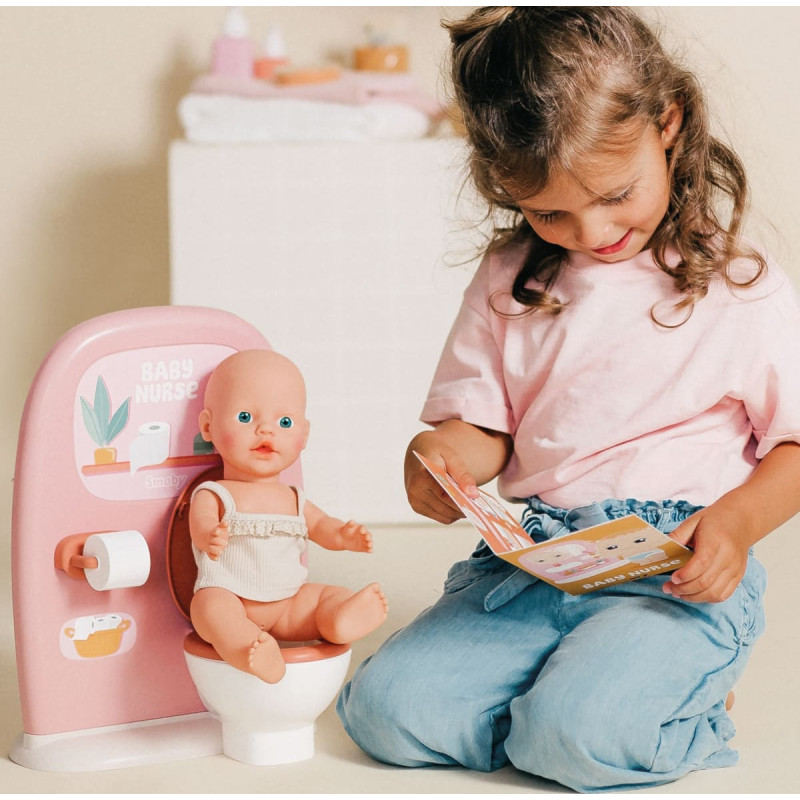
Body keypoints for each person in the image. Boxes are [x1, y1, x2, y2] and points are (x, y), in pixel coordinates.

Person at [337, 7, 800, 792]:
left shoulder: (740, 287)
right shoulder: (512, 280)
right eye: (549, 212)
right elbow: (486, 429)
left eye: (616, 194)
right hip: (539, 561)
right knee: (385, 712)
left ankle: (663, 701)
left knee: (578, 739)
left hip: (673, 570)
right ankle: (579, 694)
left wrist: (737, 521)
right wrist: (441, 457)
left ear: (668, 122)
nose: (590, 231)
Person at [189, 349, 388, 684]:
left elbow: (321, 526)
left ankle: (339, 618)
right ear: (208, 426)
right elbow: (200, 525)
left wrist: (343, 536)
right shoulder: (215, 493)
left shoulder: (295, 497)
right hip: (231, 596)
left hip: (288, 604)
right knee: (209, 608)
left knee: (325, 596)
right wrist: (209, 534)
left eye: (284, 423)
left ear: (304, 435)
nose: (266, 430)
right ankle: (247, 647)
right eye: (245, 418)